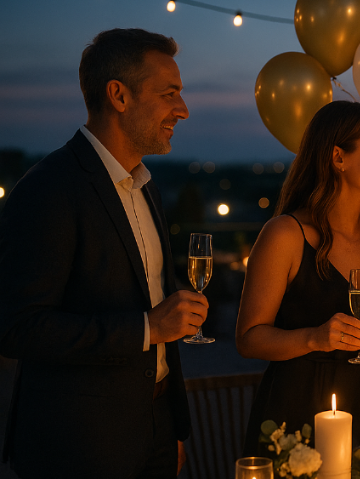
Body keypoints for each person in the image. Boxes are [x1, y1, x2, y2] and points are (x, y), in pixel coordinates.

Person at [0, 28, 207, 478]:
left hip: (154, 431)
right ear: (119, 95)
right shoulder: (48, 189)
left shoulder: (146, 186)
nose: (183, 109)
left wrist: (170, 429)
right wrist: (147, 328)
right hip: (78, 448)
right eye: (169, 94)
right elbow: (17, 327)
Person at [236, 101, 360, 455]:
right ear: (338, 157)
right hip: (296, 414)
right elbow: (249, 339)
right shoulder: (285, 234)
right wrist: (314, 337)